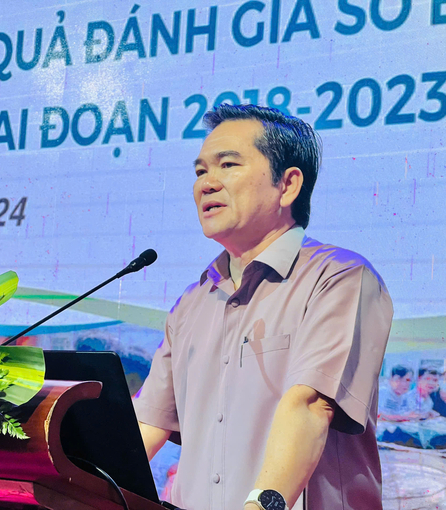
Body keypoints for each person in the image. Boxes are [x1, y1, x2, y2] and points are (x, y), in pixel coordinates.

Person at [133, 104, 393, 510]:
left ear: (287, 185)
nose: (207, 183)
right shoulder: (191, 303)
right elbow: (149, 424)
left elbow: (309, 406)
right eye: (200, 171)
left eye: (227, 165)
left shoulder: (339, 278)